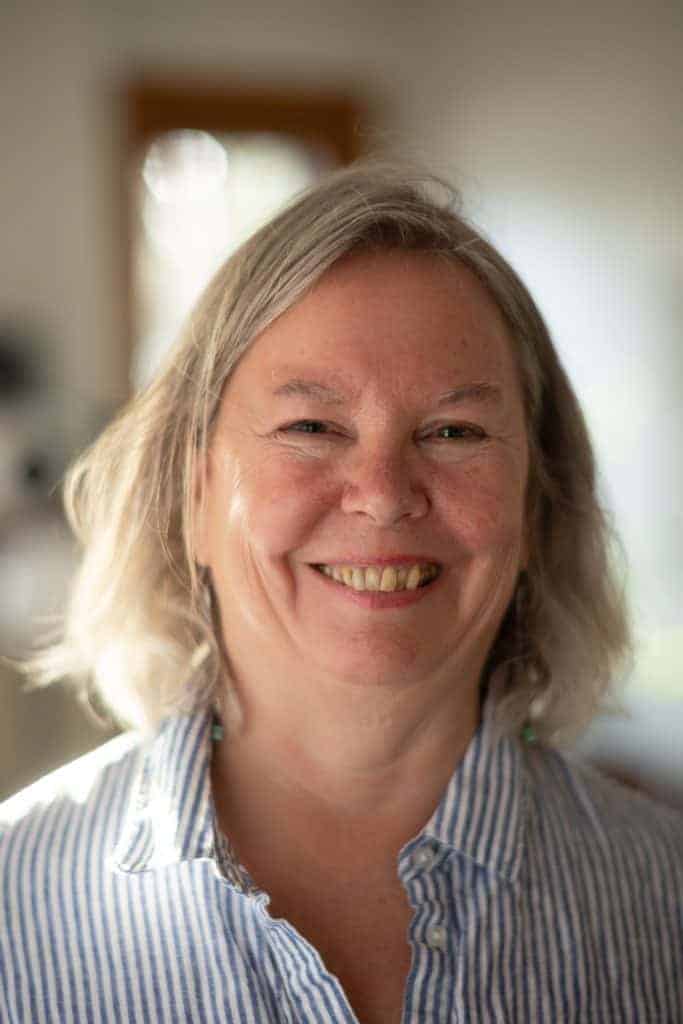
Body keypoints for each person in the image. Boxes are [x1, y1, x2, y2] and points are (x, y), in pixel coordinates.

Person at [1, 162, 682, 1024]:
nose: (384, 493)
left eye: (453, 431)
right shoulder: (11, 907)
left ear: (535, 502)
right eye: (312, 426)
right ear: (192, 495)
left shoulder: (663, 902)